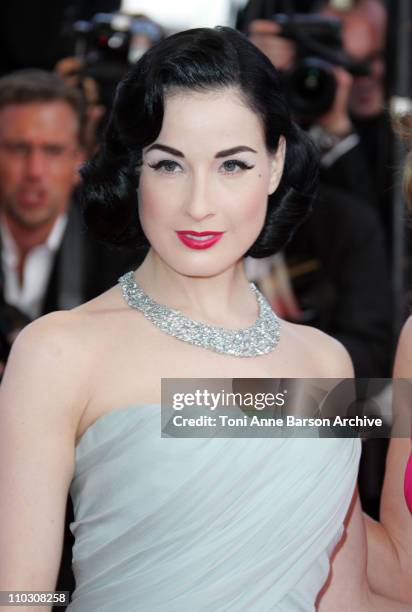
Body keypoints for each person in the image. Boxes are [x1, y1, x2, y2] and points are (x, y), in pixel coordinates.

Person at [0, 27, 408, 611]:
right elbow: (18, 597)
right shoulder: (58, 352)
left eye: (232, 165)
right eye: (169, 165)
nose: (199, 203)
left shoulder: (323, 362)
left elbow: (344, 597)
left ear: (274, 166)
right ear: (135, 168)